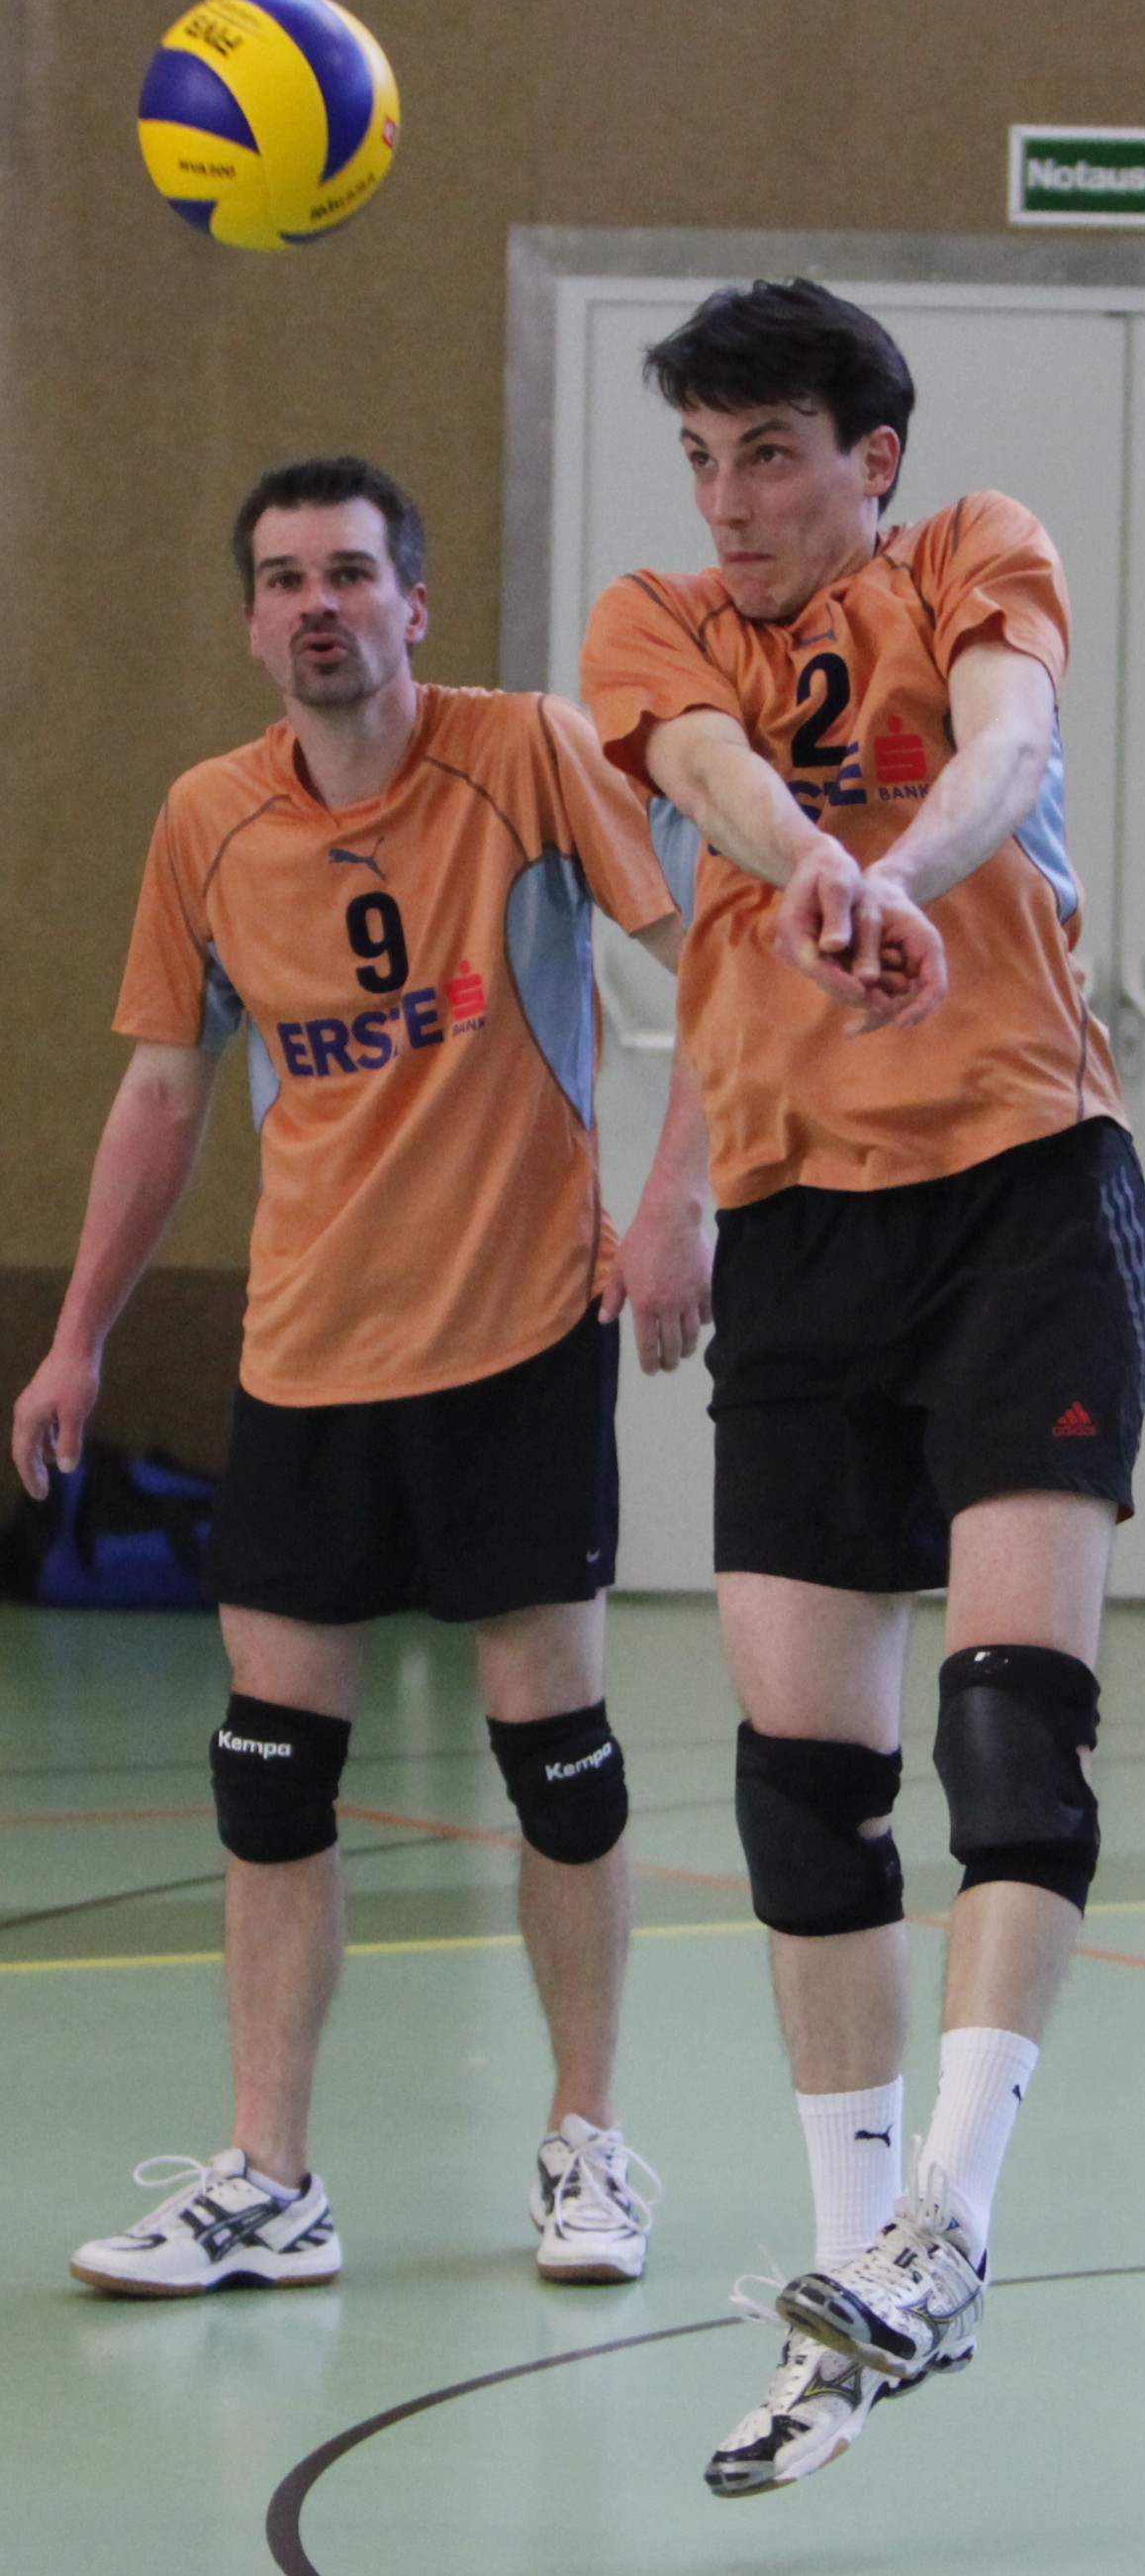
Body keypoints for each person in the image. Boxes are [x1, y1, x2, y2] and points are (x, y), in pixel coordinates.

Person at [12, 455, 712, 2299]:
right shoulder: (207, 819)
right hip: (309, 1348)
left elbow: (712, 965)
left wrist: (676, 1202)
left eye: (345, 572)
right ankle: (270, 2176)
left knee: (557, 1758)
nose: (314, 604)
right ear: (253, 623)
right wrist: (78, 1332)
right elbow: (162, 1091)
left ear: (413, 602)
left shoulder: (525, 754)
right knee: (268, 1771)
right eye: (281, 579)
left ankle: (586, 2141)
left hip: (518, 1331)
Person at [581, 280, 1145, 2495]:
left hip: (1024, 1188)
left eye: (771, 454)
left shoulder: (970, 552)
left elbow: (1004, 748)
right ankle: (851, 2301)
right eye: (702, 458)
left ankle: (952, 2223)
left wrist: (899, 868)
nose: (728, 502)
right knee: (802, 1789)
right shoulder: (653, 625)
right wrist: (814, 867)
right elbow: (708, 778)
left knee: (1007, 1726)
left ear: (870, 461)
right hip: (802, 1226)